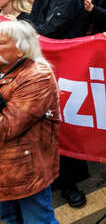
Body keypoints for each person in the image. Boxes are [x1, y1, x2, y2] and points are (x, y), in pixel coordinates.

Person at [0, 21, 60, 224]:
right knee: (10, 219)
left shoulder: (37, 76)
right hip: (4, 171)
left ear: (20, 50)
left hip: (25, 169)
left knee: (37, 220)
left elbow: (6, 128)